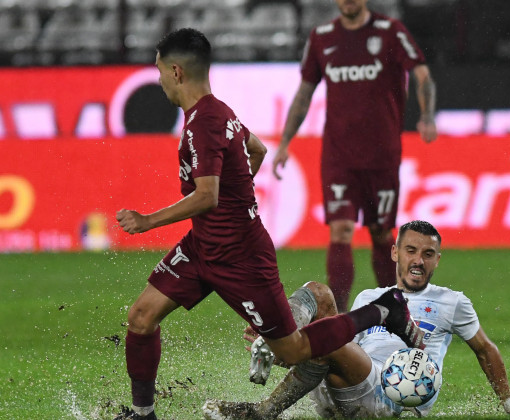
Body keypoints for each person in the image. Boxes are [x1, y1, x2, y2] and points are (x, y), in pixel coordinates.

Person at [113, 28, 425, 420]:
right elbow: (255, 149)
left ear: (176, 71)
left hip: (241, 256)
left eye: (159, 72)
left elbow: (207, 196)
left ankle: (384, 309)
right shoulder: (218, 112)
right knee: (141, 317)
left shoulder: (201, 125)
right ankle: (143, 415)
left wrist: (147, 221)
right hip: (203, 246)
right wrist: (237, 197)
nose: (159, 81)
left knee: (291, 350)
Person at [203, 221, 510, 419]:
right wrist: (292, 350)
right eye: (411, 251)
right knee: (319, 293)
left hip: (390, 394)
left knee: (330, 341)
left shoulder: (453, 302)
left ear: (437, 260)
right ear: (395, 253)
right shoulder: (370, 298)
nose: (418, 261)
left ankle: (264, 408)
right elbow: (339, 354)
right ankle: (279, 335)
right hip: (347, 385)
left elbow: (485, 350)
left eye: (428, 254)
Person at [272, 0, 438, 313]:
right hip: (339, 155)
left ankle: (393, 309)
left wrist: (427, 115)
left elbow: (422, 73)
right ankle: (336, 317)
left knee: (379, 232)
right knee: (341, 230)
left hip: (381, 155)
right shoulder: (322, 37)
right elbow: (305, 91)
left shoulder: (389, 32)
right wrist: (285, 142)